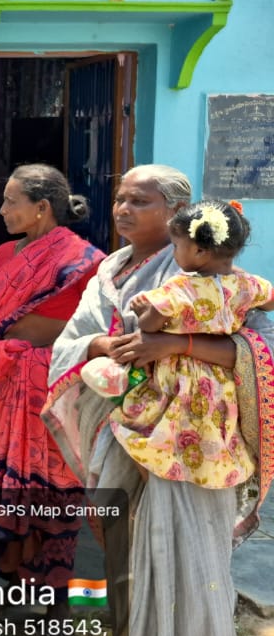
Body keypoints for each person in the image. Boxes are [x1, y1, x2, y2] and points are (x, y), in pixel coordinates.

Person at [44, 166, 274, 636]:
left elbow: (259, 349)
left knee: (174, 569)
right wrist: (102, 346)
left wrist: (173, 344)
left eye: (138, 201)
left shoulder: (208, 274)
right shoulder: (112, 270)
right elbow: (77, 338)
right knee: (124, 559)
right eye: (119, 198)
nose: (122, 208)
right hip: (125, 429)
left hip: (188, 446)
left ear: (176, 214)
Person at [0, 163, 103, 593]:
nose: (1, 210)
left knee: (55, 489)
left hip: (51, 392)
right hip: (0, 384)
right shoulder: (4, 254)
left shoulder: (86, 262)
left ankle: (57, 596)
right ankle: (5, 582)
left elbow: (93, 333)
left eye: (10, 201)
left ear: (41, 207)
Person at [112, 200, 274, 487]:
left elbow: (149, 327)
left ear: (199, 251)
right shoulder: (248, 285)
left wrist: (142, 310)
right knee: (210, 427)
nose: (174, 253)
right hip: (220, 381)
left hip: (178, 377)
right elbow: (270, 301)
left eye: (176, 246)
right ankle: (208, 472)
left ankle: (162, 477)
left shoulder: (181, 288)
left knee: (145, 427)